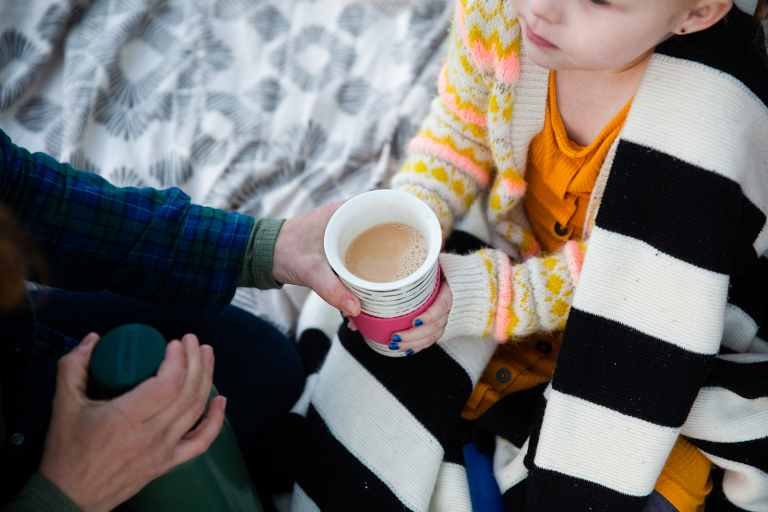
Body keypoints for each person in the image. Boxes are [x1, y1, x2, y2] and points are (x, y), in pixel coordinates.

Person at [324, 0, 768, 511]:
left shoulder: (706, 120)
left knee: (639, 476)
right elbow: (460, 130)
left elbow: (634, 278)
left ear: (695, 13)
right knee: (370, 404)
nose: (541, 7)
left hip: (652, 322)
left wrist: (488, 296)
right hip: (519, 264)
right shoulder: (499, 15)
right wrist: (414, 220)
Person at [0, 128, 361, 512]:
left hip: (16, 342)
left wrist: (263, 246)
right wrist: (66, 491)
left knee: (268, 369)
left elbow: (23, 191)